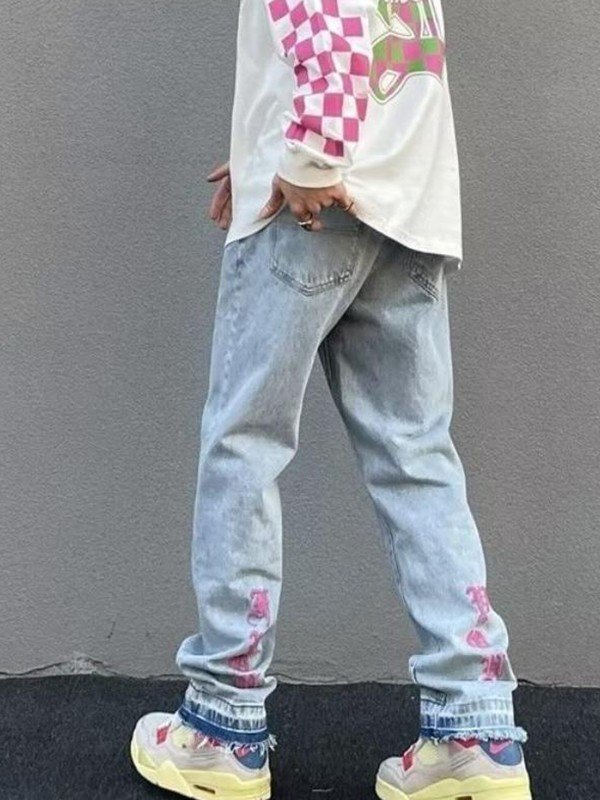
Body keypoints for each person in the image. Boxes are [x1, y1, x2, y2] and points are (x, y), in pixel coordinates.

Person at [129, 2, 532, 798]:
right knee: (416, 458)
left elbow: (328, 35)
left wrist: (308, 154)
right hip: (406, 206)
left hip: (316, 205)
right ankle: (474, 729)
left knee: (244, 447)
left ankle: (222, 726)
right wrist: (262, 143)